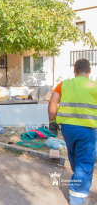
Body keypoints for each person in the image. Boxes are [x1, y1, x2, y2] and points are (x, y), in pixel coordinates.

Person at [48, 58, 97, 205]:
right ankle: (77, 198)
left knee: (75, 158)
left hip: (68, 129)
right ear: (89, 71)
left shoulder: (64, 84)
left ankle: (79, 185)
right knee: (85, 162)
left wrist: (52, 122)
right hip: (88, 129)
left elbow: (52, 102)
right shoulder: (94, 86)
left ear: (74, 71)